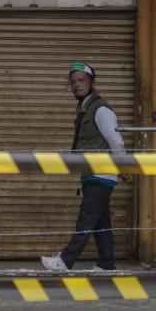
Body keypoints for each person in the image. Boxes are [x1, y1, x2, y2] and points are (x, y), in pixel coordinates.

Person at [41, 62, 126, 272]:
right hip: (91, 174)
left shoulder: (101, 109)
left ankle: (66, 260)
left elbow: (116, 142)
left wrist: (124, 167)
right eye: (73, 82)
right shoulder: (84, 107)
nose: (76, 85)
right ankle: (107, 264)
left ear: (91, 83)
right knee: (100, 223)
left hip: (101, 174)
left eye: (81, 80)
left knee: (86, 220)